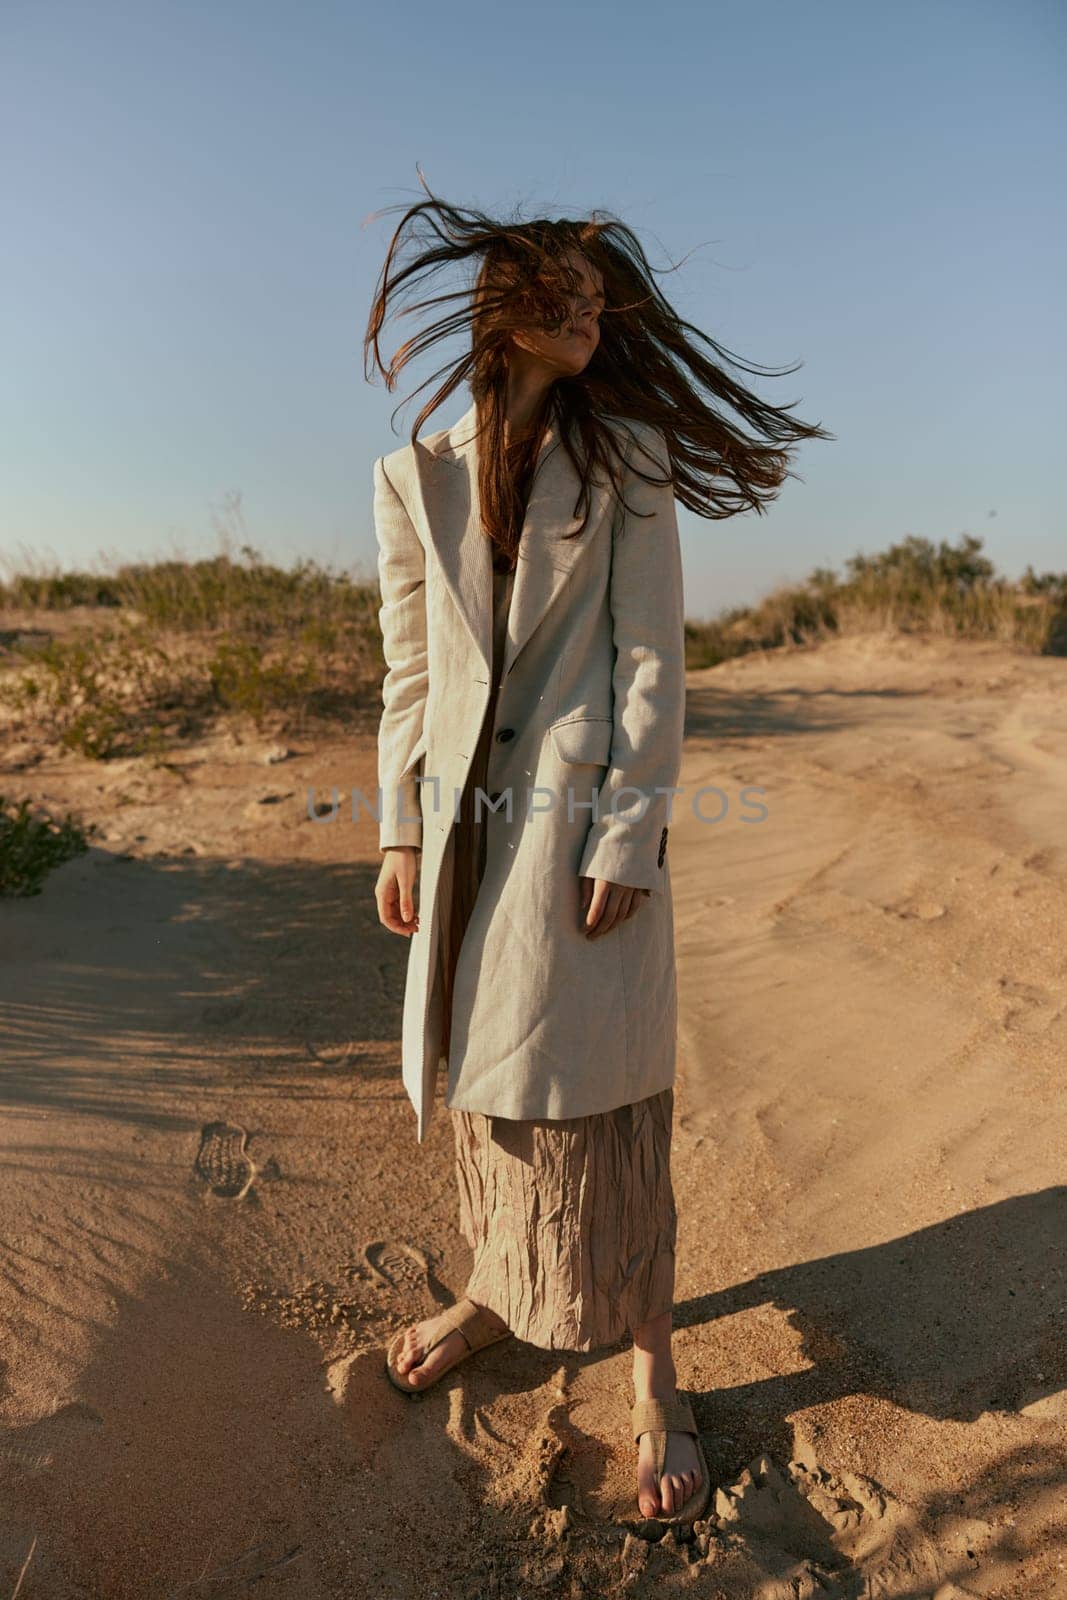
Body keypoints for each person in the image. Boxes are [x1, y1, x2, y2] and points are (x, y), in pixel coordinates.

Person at [365, 184, 831, 1523]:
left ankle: (655, 1376)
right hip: (463, 831)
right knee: (491, 1092)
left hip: (576, 829)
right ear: (500, 302)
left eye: (595, 295)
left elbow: (650, 668)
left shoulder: (625, 453)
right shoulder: (413, 476)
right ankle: (491, 1294)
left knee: (608, 1103)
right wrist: (397, 827)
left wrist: (631, 828)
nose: (583, 311)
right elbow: (412, 671)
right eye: (557, 289)